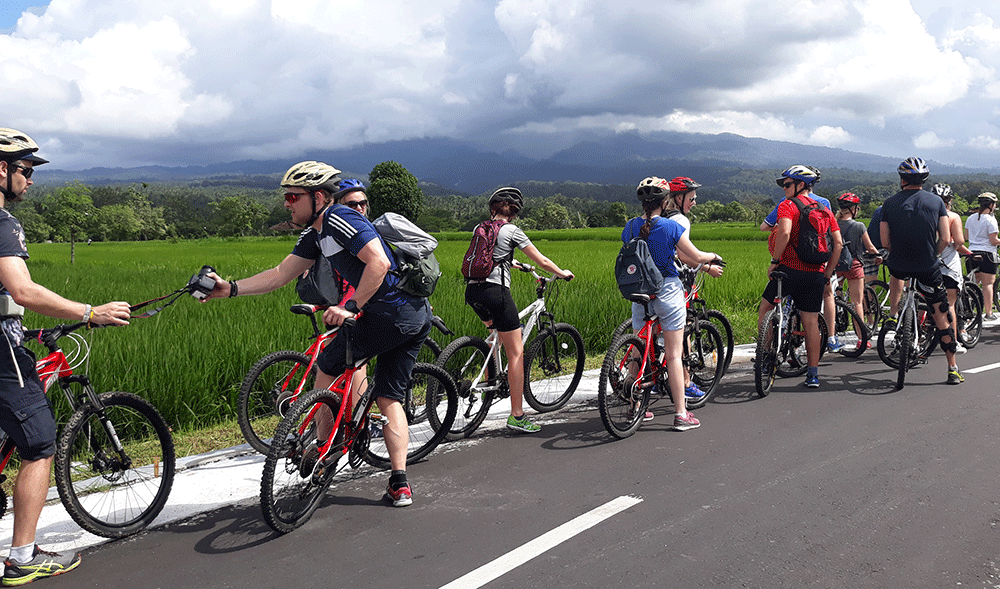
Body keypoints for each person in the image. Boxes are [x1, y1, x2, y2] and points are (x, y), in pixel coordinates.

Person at [204, 161, 431, 507]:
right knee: (389, 398)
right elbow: (280, 274)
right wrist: (230, 288)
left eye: (293, 196)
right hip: (414, 316)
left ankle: (326, 455)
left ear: (320, 197)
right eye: (287, 197)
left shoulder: (341, 218)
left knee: (327, 364)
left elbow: (379, 263)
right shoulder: (315, 234)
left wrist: (350, 306)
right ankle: (399, 484)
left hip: (389, 314)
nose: (287, 203)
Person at [0, 128, 131, 585]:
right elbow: (22, 288)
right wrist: (89, 312)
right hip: (0, 354)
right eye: (26, 170)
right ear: (2, 169)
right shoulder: (2, 223)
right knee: (38, 444)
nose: (30, 180)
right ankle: (23, 556)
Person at [463, 187, 574, 434]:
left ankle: (490, 376)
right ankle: (517, 415)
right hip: (496, 293)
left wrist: (516, 264)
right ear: (513, 213)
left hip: (472, 291)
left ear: (492, 210)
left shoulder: (480, 228)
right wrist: (562, 273)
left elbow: (489, 258)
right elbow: (542, 261)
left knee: (498, 336)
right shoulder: (512, 231)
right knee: (517, 352)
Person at [624, 177, 723, 430]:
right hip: (667, 292)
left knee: (638, 349)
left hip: (639, 294)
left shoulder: (630, 226)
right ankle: (681, 414)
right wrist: (713, 257)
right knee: (674, 354)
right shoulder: (670, 227)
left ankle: (634, 406)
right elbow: (694, 255)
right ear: (665, 201)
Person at [758, 165, 843, 388]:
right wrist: (828, 272)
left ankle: (765, 356)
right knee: (811, 322)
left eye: (787, 184)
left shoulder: (787, 206)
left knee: (766, 308)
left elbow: (784, 233)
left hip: (788, 270)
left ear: (800, 185)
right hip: (815, 273)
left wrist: (775, 261)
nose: (784, 188)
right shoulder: (824, 209)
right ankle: (813, 375)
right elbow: (839, 244)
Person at [880, 157, 962, 385]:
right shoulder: (936, 203)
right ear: (924, 179)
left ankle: (894, 314)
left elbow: (885, 242)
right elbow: (945, 238)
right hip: (927, 266)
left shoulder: (889, 203)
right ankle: (953, 368)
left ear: (902, 179)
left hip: (898, 264)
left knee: (897, 276)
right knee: (941, 315)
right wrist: (933, 254)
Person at [663, 176, 725, 400]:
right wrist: (707, 266)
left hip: (650, 280)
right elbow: (684, 255)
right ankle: (686, 381)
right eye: (691, 198)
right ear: (678, 198)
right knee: (684, 329)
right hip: (676, 282)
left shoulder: (658, 216)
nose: (694, 202)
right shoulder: (680, 220)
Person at [833, 192, 881, 352]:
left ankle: (832, 334)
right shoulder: (859, 226)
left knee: (833, 301)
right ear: (853, 209)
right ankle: (862, 339)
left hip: (835, 266)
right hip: (854, 266)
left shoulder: (832, 224)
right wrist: (878, 256)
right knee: (857, 303)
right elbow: (870, 247)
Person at [931, 184, 972, 351]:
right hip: (948, 265)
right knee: (949, 305)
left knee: (925, 302)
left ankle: (918, 341)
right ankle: (953, 341)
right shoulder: (953, 217)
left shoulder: (926, 215)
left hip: (928, 264)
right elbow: (959, 242)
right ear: (950, 201)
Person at [964, 192, 1000, 321]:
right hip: (987, 255)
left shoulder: (970, 218)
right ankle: (989, 313)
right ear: (991, 205)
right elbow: (993, 240)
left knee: (973, 284)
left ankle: (970, 311)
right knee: (988, 285)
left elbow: (966, 237)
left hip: (971, 254)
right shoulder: (991, 220)